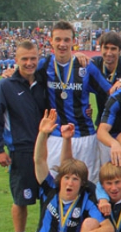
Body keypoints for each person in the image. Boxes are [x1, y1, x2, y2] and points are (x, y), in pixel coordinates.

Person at [4, 110, 112, 232]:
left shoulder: (86, 199)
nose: (70, 183)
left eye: (75, 179)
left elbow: (108, 227)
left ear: (82, 183)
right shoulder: (49, 189)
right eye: (67, 178)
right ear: (60, 179)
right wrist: (43, 134)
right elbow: (39, 160)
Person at [0, 40, 47, 232]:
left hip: (47, 150)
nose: (29, 63)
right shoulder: (4, 86)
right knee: (21, 198)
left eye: (33, 58)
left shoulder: (43, 82)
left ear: (38, 59)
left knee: (49, 197)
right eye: (25, 59)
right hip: (21, 151)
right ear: (16, 60)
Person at [41, 21, 113, 183]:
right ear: (51, 41)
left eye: (67, 40)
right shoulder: (44, 65)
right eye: (58, 39)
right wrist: (10, 73)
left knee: (88, 185)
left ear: (74, 41)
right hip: (56, 137)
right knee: (56, 185)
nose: (62, 44)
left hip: (85, 137)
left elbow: (110, 92)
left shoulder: (86, 66)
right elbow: (23, 77)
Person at [91, 31, 121, 126]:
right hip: (102, 122)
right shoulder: (94, 64)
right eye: (106, 48)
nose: (109, 53)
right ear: (100, 48)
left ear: (120, 50)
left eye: (113, 49)